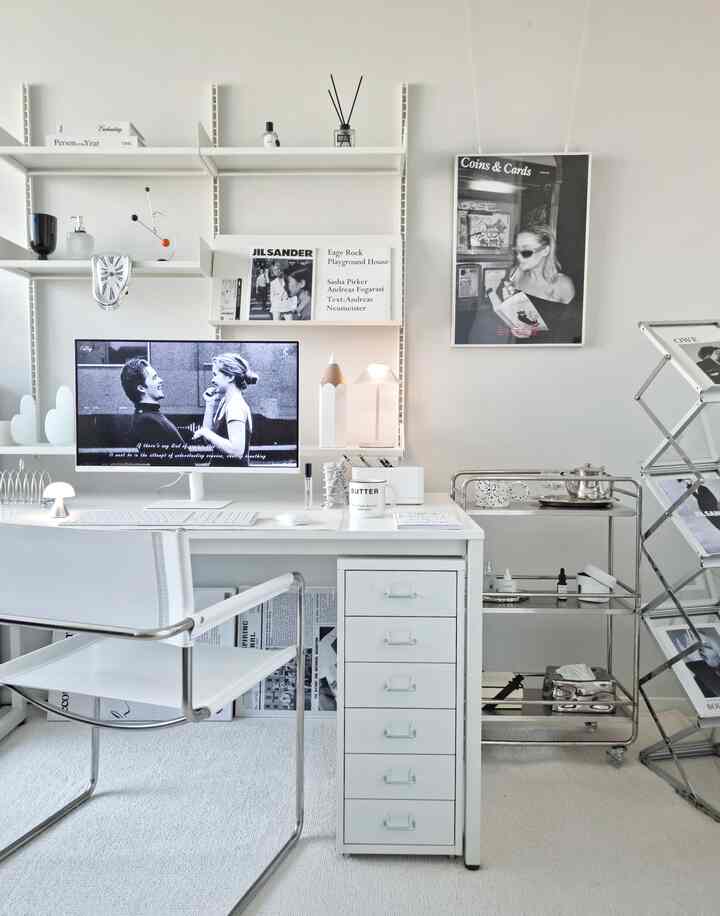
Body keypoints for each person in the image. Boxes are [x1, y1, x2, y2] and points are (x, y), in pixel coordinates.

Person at [488, 224, 579, 344]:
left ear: (545, 251)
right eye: (516, 251)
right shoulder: (516, 274)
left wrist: (534, 332)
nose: (518, 257)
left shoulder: (562, 285)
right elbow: (518, 318)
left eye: (525, 252)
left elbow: (573, 333)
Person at [193, 352, 258, 465]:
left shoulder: (235, 406)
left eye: (215, 375)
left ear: (230, 377)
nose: (212, 380)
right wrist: (209, 404)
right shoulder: (225, 402)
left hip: (233, 478)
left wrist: (206, 433)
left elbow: (236, 451)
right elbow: (206, 439)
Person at [120, 358, 185, 449]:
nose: (160, 380)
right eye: (154, 378)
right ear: (141, 388)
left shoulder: (149, 416)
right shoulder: (147, 421)